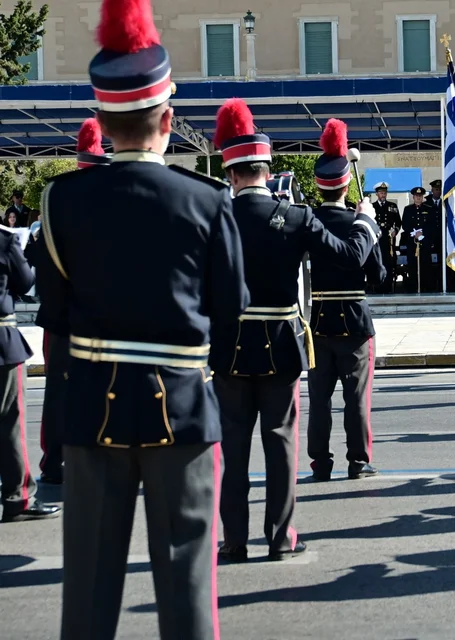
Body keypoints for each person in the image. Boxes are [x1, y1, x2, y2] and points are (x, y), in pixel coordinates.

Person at [36, 1, 250, 637]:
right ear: (167, 118)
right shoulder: (208, 201)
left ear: (102, 119)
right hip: (180, 407)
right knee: (186, 584)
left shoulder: (63, 200)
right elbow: (230, 313)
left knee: (89, 592)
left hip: (90, 408)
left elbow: (53, 308)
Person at [210, 104, 381, 561]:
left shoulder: (213, 216)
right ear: (266, 169)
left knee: (233, 448)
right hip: (281, 345)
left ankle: (234, 540)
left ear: (232, 174)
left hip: (228, 348)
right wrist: (365, 220)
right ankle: (281, 537)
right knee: (281, 442)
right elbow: (350, 255)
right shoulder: (296, 216)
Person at [27, 118, 111, 486]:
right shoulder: (115, 204)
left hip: (61, 318)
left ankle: (55, 462)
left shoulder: (56, 200)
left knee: (58, 391)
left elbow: (36, 258)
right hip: (102, 316)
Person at [307, 119, 385, 481]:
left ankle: (320, 462)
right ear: (346, 184)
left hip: (318, 320)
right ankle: (359, 460)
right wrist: (367, 224)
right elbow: (378, 277)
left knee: (319, 401)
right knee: (356, 399)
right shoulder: (360, 224)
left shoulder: (306, 222)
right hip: (353, 320)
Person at [0, 205, 59, 523]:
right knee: (10, 423)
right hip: (1, 341)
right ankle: (17, 497)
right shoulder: (4, 240)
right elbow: (24, 283)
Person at [371, 182, 401, 294]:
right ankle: (377, 287)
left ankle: (388, 286)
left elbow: (398, 222)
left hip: (388, 240)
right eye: (381, 193)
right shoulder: (372, 207)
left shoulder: (392, 206)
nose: (383, 195)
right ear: (377, 194)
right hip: (376, 240)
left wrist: (395, 231)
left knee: (389, 263)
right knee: (377, 262)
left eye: (384, 192)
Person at [401, 186, 432, 294]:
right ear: (413, 197)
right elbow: (404, 224)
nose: (418, 198)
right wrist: (414, 233)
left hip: (425, 242)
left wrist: (423, 233)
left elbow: (431, 225)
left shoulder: (428, 209)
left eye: (420, 196)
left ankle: (425, 287)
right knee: (412, 265)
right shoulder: (408, 209)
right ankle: (413, 287)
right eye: (416, 196)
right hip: (412, 242)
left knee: (425, 265)